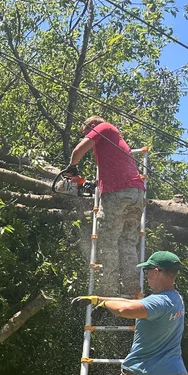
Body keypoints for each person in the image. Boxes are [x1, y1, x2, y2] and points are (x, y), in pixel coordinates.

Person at [64, 117, 146, 297]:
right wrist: (94, 185)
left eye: (86, 133)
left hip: (118, 193)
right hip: (137, 194)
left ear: (92, 126)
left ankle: (109, 290)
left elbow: (78, 150)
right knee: (127, 242)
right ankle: (132, 287)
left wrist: (73, 166)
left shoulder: (103, 127)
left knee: (108, 240)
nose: (87, 136)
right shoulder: (115, 144)